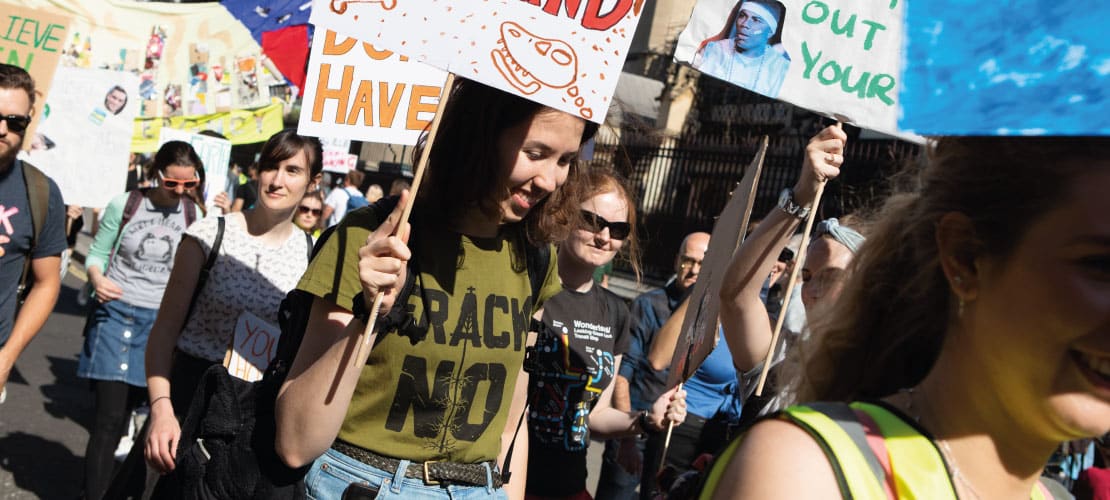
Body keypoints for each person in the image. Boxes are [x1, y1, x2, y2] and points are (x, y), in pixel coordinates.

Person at [704, 136, 1110, 499]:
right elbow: (737, 298)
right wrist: (800, 196)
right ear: (965, 258)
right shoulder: (805, 472)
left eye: (830, 278)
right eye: (1100, 265)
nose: (811, 291)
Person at [274, 77, 599, 499]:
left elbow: (512, 414)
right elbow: (296, 443)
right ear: (479, 137)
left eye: (565, 160)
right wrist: (371, 313)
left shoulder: (536, 255)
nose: (551, 180)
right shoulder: (374, 239)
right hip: (364, 484)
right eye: (535, 154)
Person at [143, 129, 322, 478]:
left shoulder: (311, 254)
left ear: (313, 182)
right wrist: (161, 409)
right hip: (189, 398)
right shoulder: (209, 234)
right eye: (271, 166)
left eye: (293, 170)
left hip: (255, 414)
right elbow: (164, 331)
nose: (277, 180)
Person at [525, 169, 686, 499]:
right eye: (592, 220)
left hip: (569, 488)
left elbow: (595, 415)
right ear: (565, 214)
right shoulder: (529, 287)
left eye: (618, 229)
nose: (604, 236)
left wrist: (646, 420)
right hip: (507, 482)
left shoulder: (616, 311)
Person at [77, 140, 202, 500]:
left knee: (145, 421)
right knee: (108, 420)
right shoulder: (127, 204)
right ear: (155, 175)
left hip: (161, 325)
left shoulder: (195, 217)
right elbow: (97, 254)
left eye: (189, 185)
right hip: (116, 315)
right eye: (171, 184)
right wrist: (97, 278)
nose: (180, 191)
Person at [594, 231, 710, 500]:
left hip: (677, 439)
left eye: (702, 264)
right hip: (637, 428)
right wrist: (626, 440)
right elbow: (622, 376)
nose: (693, 270)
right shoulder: (648, 306)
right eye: (687, 261)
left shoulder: (710, 315)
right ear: (675, 261)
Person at [0, 64, 66, 405]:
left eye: (15, 122)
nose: (2, 130)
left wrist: (7, 357)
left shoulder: (41, 192)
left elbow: (47, 282)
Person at [692, 0, 790, 98]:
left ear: (770, 32)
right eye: (742, 16)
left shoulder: (780, 68)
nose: (744, 24)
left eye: (756, 20)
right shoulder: (714, 50)